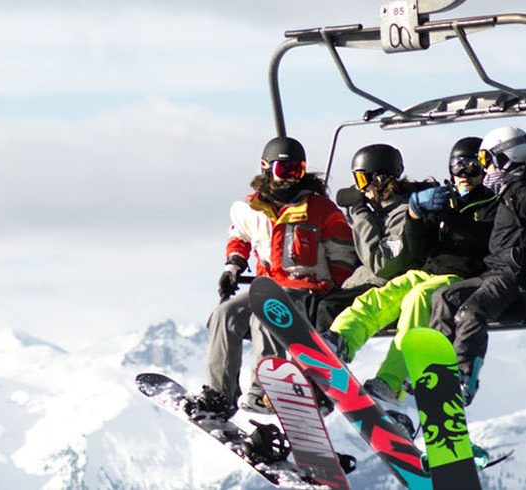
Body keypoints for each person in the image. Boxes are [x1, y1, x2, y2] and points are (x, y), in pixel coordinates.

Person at [187, 136, 358, 419]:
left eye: (297, 171)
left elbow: (342, 255)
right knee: (224, 314)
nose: (290, 179)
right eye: (283, 170)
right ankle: (221, 394)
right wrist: (233, 266)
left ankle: (268, 388)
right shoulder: (249, 209)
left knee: (267, 310)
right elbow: (239, 237)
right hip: (268, 286)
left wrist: (336, 296)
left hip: (308, 292)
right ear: (266, 168)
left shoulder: (320, 210)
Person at [324, 136, 499, 403]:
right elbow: (419, 246)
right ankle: (340, 340)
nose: (464, 175)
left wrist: (453, 219)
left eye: (473, 167)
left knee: (418, 299)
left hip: (463, 276)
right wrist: (416, 216)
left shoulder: (493, 205)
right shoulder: (446, 200)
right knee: (383, 295)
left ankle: (391, 383)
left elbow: (486, 243)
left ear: (485, 169)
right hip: (430, 270)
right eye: (457, 167)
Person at [429, 126, 526, 406]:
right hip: (494, 271)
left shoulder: (520, 187)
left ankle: (463, 375)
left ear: (505, 157)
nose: (485, 171)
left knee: (471, 311)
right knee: (444, 297)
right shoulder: (510, 187)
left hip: (513, 276)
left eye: (486, 161)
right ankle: (436, 366)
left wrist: (518, 256)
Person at [313, 143, 428, 333]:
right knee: (314, 304)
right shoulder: (381, 211)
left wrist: (360, 211)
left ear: (380, 178)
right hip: (367, 284)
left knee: (329, 308)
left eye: (361, 179)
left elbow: (381, 264)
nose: (360, 189)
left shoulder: (403, 214)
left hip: (388, 288)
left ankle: (326, 357)